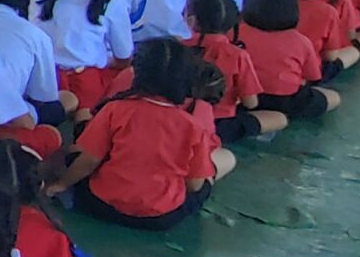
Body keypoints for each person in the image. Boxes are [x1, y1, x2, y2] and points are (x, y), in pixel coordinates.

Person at [43, 38, 233, 230]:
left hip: (101, 205)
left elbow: (89, 161)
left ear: (137, 73)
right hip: (159, 218)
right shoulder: (193, 125)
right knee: (206, 180)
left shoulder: (116, 109)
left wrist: (61, 184)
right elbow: (194, 185)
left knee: (74, 157)